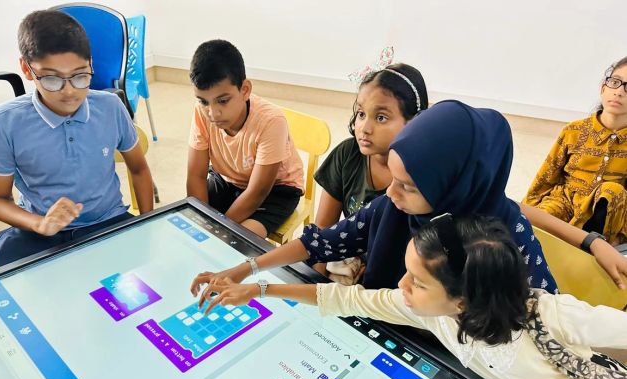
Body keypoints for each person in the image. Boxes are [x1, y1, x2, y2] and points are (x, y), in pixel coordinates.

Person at [198, 214, 627, 379]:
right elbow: (347, 299)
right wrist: (259, 288)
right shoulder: (429, 311)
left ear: (464, 299)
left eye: (417, 282)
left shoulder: (551, 315)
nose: (401, 287)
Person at [192, 101, 560, 295]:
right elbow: (321, 242)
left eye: (409, 186)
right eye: (393, 179)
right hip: (386, 327)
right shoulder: (394, 207)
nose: (391, 193)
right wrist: (244, 270)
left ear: (455, 185)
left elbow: (543, 313)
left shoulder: (505, 238)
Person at [0, 10, 153, 270]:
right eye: (51, 79)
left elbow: (138, 168)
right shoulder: (4, 122)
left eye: (80, 76)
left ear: (91, 65)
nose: (70, 91)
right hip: (38, 231)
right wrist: (39, 223)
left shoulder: (110, 107)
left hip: (109, 221)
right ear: (27, 69)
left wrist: (148, 221)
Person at [313, 62, 427, 284]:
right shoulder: (347, 154)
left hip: (400, 282)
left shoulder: (422, 176)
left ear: (414, 122)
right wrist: (314, 281)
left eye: (381, 117)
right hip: (348, 266)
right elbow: (323, 230)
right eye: (361, 114)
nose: (364, 127)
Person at [186, 39, 304, 238]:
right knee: (191, 223)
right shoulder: (201, 113)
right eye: (203, 101)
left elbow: (258, 192)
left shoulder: (271, 121)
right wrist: (203, 223)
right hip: (227, 179)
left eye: (223, 101)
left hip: (276, 190)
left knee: (234, 240)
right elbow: (195, 175)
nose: (213, 113)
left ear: (245, 90)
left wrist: (219, 229)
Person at [524, 56, 627, 246]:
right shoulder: (574, 131)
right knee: (536, 224)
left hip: (607, 218)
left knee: (612, 190)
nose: (619, 92)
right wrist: (521, 214)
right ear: (603, 88)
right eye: (615, 82)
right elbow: (545, 178)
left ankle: (596, 251)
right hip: (564, 203)